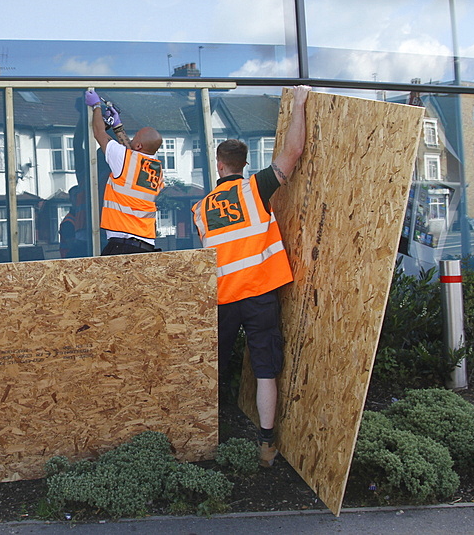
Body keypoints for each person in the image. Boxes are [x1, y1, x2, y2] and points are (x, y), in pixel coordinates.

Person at [191, 85, 310, 468]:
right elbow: (291, 153)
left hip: (224, 298)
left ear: (219, 163)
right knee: (264, 370)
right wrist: (301, 103)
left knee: (215, 366)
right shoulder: (256, 189)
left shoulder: (199, 209)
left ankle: (207, 438)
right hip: (260, 294)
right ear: (244, 163)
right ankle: (266, 444)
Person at [84, 89, 165, 255]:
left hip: (124, 245)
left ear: (139, 146)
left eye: (135, 137)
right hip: (145, 244)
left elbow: (99, 134)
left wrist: (96, 106)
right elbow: (133, 152)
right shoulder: (157, 170)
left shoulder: (125, 160)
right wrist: (117, 127)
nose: (132, 139)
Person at [58, 185, 89, 258]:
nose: (78, 198)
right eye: (75, 196)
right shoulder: (68, 222)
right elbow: (72, 245)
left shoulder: (83, 218)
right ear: (70, 200)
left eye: (80, 195)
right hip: (71, 259)